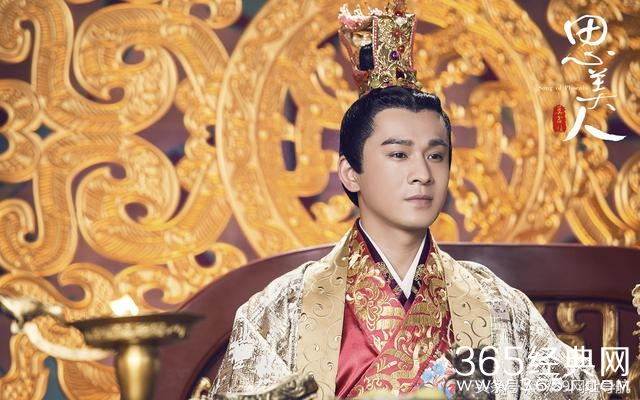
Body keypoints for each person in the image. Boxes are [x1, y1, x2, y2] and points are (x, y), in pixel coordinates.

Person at [210, 2, 602, 399]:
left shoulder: (499, 305)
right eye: (399, 154)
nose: (422, 173)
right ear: (350, 172)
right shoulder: (281, 310)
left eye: (436, 155)